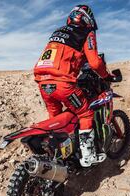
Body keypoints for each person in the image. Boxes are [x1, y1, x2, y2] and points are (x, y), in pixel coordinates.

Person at [33, 4, 113, 167]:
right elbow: (95, 63)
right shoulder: (86, 32)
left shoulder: (57, 33)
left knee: (57, 119)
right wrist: (106, 75)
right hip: (63, 84)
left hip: (43, 84)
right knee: (85, 114)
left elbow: (68, 56)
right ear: (87, 19)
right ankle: (88, 156)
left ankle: (59, 156)